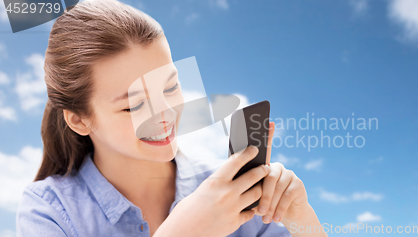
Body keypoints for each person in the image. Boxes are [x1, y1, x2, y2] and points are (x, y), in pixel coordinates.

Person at [16, 0, 326, 236]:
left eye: (171, 86)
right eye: (133, 106)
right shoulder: (49, 211)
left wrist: (302, 219)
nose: (164, 115)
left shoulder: (235, 194)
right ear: (80, 121)